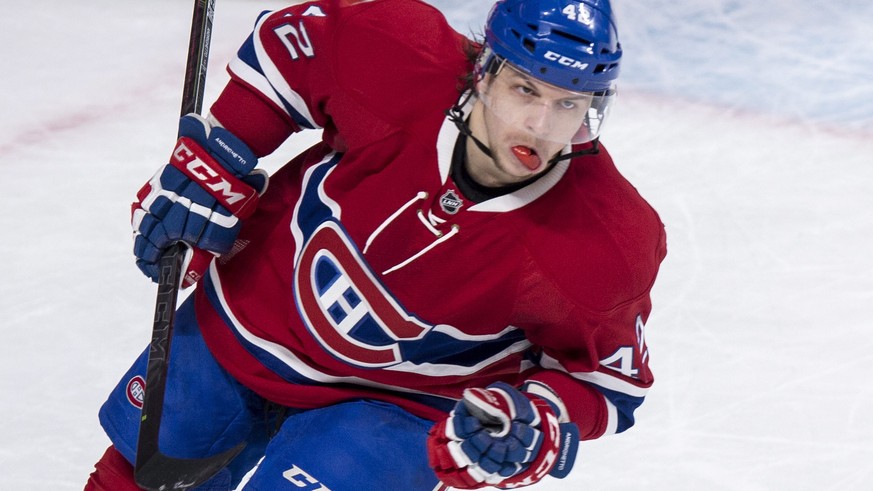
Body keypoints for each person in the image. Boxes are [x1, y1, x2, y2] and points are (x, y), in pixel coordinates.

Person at [85, 0, 666, 489]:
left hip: (399, 405)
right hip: (250, 315)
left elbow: (601, 382)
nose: (541, 125)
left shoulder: (607, 241)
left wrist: (537, 420)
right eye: (525, 90)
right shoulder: (398, 54)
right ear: (484, 72)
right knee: (129, 479)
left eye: (569, 103)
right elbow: (290, 47)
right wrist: (219, 156)